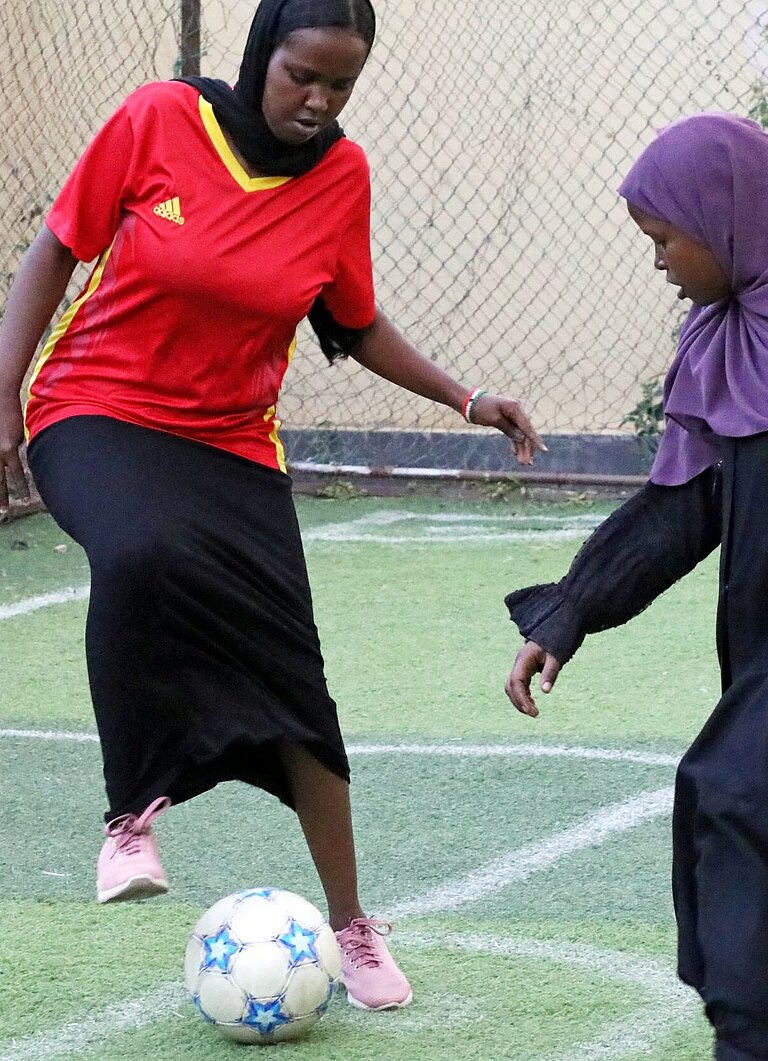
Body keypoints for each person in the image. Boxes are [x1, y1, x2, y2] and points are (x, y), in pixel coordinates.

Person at [0, 0, 544, 1015]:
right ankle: (130, 816)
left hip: (231, 445)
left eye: (342, 83)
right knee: (137, 553)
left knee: (300, 687)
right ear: (262, 57)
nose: (320, 99)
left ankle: (350, 920)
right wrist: (1, 396)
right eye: (303, 74)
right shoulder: (158, 120)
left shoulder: (342, 175)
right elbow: (56, 250)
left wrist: (468, 398)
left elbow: (355, 319)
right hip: (94, 407)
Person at [504, 113, 768, 1060]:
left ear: (727, 217)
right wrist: (570, 609)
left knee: (739, 794)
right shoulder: (726, 345)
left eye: (664, 238)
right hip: (760, 656)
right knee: (726, 798)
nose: (657, 260)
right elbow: (679, 510)